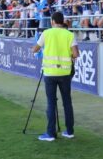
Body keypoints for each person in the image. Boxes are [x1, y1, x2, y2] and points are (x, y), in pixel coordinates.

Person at [32, 12, 79, 142]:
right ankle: (69, 131)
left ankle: (50, 133)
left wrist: (41, 48)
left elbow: (34, 49)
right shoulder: (70, 34)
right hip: (65, 73)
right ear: (62, 21)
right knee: (67, 102)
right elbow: (76, 54)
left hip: (50, 74)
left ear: (52, 21)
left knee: (51, 103)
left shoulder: (46, 33)